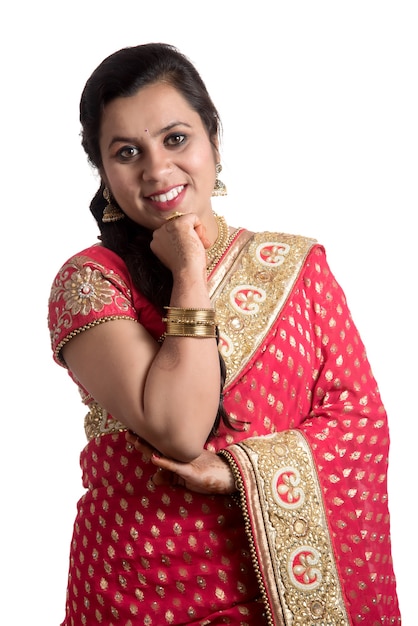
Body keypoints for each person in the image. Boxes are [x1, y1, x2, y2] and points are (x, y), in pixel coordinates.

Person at [47, 42, 401, 626]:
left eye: (176, 138)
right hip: (134, 592)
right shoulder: (89, 281)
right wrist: (189, 268)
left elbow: (360, 421)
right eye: (127, 152)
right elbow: (178, 430)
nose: (157, 170)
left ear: (213, 136)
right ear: (105, 173)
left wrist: (241, 470)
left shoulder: (297, 268)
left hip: (275, 597)